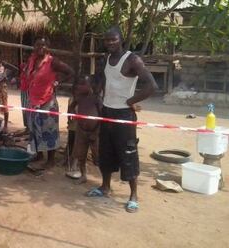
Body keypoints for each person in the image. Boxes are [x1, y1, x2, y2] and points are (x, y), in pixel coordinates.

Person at [85, 27, 157, 213]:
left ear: (121, 39)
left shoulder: (132, 60)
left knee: (128, 154)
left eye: (113, 40)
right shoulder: (107, 59)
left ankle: (133, 196)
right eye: (107, 40)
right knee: (105, 151)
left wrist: (130, 101)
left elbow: (151, 86)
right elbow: (105, 79)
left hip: (124, 114)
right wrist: (98, 94)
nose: (110, 43)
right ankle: (105, 187)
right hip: (107, 112)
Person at [26, 37, 74, 171]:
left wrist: (58, 83)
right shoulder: (33, 60)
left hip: (48, 102)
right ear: (34, 46)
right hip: (33, 101)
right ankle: (39, 155)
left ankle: (51, 160)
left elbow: (71, 72)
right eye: (38, 45)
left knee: (49, 130)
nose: (41, 47)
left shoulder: (53, 62)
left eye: (44, 45)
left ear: (48, 47)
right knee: (35, 128)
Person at [69, 75, 102, 184]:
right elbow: (72, 106)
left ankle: (104, 180)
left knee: (98, 156)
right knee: (81, 155)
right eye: (79, 84)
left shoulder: (96, 98)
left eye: (84, 84)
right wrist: (73, 114)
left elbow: (102, 116)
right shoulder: (79, 97)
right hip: (81, 131)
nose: (80, 86)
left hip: (95, 131)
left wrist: (96, 132)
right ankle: (83, 175)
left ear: (90, 85)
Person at [19, 50, 30, 134]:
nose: (25, 57)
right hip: (23, 90)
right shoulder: (22, 65)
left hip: (29, 90)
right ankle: (27, 127)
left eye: (26, 56)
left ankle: (30, 128)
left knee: (28, 109)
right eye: (24, 56)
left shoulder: (31, 66)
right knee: (24, 109)